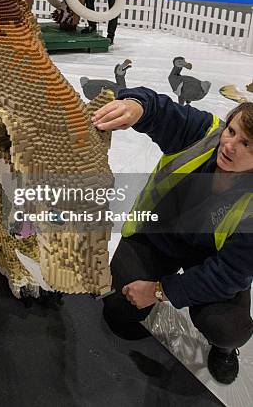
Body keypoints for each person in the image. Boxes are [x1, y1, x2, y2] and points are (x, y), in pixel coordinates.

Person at [92, 87, 253, 385]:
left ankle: (224, 350)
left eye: (247, 144)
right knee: (119, 314)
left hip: (212, 262)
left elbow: (228, 274)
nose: (230, 146)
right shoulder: (203, 135)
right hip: (158, 237)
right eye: (231, 131)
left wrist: (159, 291)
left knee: (229, 328)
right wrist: (135, 106)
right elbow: (158, 107)